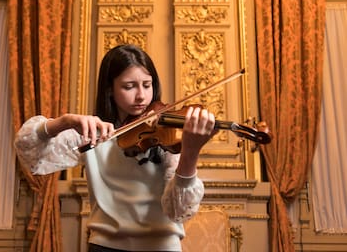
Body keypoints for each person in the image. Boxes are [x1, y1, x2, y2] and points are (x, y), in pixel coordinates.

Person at [14, 44, 217, 252]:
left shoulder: (165, 137)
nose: (141, 96)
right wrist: (64, 122)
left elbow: (178, 211)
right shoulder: (92, 134)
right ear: (110, 89)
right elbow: (28, 149)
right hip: (104, 247)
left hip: (161, 247)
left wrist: (190, 153)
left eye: (147, 85)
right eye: (129, 86)